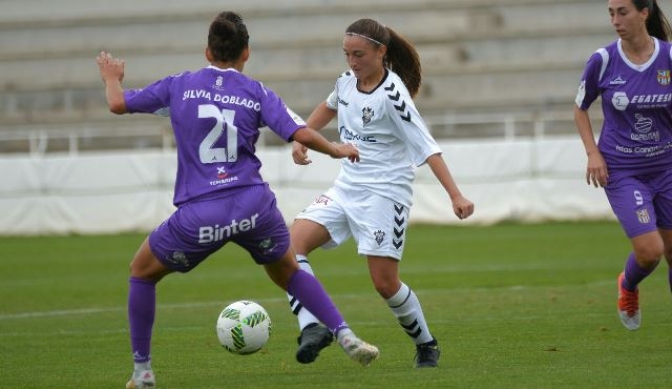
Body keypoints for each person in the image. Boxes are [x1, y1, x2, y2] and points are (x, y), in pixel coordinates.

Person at [96, 11, 380, 389]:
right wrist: (337, 150)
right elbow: (301, 133)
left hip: (202, 212)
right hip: (253, 206)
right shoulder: (256, 91)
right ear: (246, 52)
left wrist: (112, 78)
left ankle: (142, 372)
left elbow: (117, 104)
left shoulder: (179, 85)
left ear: (207, 50)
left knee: (141, 273)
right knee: (289, 271)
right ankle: (345, 335)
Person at [284, 18, 474, 368]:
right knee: (290, 249)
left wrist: (456, 195)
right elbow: (329, 106)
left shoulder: (394, 95)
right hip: (347, 187)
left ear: (380, 52)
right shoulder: (345, 83)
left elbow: (427, 148)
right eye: (347, 55)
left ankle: (427, 344)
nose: (352, 62)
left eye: (359, 54)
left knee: (385, 283)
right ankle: (313, 327)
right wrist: (302, 136)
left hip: (386, 195)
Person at [574, 0, 672, 331]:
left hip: (667, 166)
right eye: (611, 13)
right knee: (650, 251)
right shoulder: (603, 60)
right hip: (623, 170)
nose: (615, 20)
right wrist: (592, 153)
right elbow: (580, 108)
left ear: (644, 13)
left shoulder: (669, 58)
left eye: (623, 12)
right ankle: (628, 286)